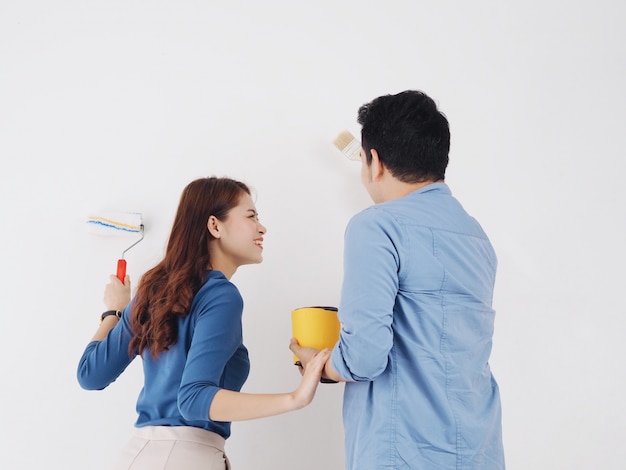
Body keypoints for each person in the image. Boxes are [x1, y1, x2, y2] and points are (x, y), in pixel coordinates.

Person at [290, 90, 505, 469]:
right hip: (478, 449)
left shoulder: (377, 226)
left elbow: (365, 356)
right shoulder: (476, 236)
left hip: (402, 450)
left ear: (374, 161)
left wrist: (319, 365)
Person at [77, 176, 331, 470]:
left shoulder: (152, 293)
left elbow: (90, 374)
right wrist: (294, 398)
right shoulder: (221, 295)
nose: (262, 227)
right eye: (251, 217)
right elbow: (194, 399)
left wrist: (114, 313)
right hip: (183, 458)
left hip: (138, 455)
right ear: (214, 226)